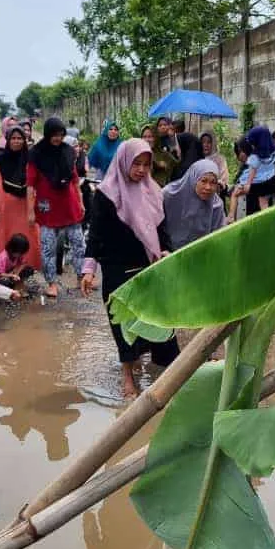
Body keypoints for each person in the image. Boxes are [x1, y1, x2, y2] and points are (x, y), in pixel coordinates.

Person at [80, 138, 180, 398]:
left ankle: (170, 373)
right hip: (116, 268)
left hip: (148, 266)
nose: (142, 170)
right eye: (136, 164)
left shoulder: (154, 191)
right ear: (124, 161)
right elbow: (95, 234)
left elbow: (161, 229)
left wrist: (166, 249)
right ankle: (128, 377)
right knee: (122, 323)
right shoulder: (106, 193)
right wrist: (89, 269)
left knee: (158, 321)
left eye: (146, 165)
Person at [27, 117, 86, 298]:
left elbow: (75, 180)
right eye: (54, 135)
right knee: (47, 247)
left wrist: (81, 202)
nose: (58, 138)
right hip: (48, 207)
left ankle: (80, 277)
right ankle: (51, 283)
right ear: (47, 134)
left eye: (61, 135)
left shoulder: (68, 152)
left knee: (79, 244)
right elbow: (30, 185)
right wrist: (30, 210)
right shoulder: (36, 154)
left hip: (69, 205)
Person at [0, 125, 41, 271]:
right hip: (4, 211)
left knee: (29, 238)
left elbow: (38, 183)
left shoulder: (31, 160)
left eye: (20, 138)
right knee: (3, 238)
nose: (16, 141)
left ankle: (23, 270)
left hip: (26, 208)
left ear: (25, 140)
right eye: (13, 138)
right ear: (8, 140)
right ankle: (0, 270)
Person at [163, 159, 225, 251]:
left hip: (200, 254)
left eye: (213, 182)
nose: (208, 187)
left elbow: (218, 237)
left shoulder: (216, 205)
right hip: (168, 254)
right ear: (193, 178)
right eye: (203, 181)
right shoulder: (170, 195)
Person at [244, 125, 275, 214]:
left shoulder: (255, 156)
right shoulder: (273, 151)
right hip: (272, 181)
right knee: (266, 200)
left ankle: (264, 214)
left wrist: (248, 183)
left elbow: (252, 170)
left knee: (262, 201)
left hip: (260, 184)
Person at [142, 123, 177, 188]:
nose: (147, 140)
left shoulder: (164, 155)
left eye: (150, 137)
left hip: (159, 191)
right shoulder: (138, 154)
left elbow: (175, 167)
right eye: (144, 137)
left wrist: (162, 166)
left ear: (156, 138)